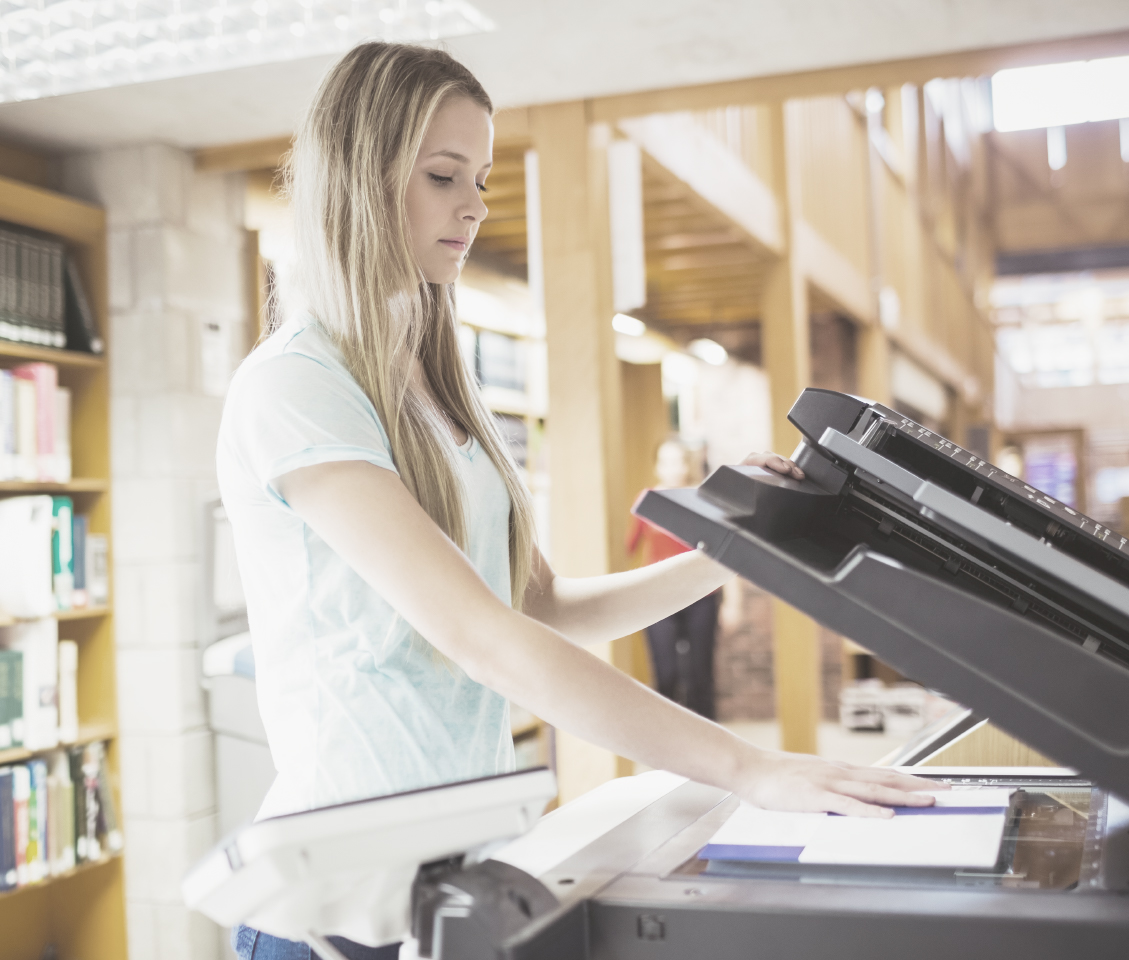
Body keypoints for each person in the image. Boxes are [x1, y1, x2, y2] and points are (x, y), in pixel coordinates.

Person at [216, 42, 939, 960]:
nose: (475, 206)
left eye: (479, 177)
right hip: (337, 909)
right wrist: (747, 765)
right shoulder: (295, 385)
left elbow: (540, 605)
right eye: (443, 177)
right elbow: (483, 637)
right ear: (359, 178)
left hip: (453, 874)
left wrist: (734, 548)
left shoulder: (436, 386)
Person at [628, 440, 719, 719]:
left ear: (686, 465)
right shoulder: (646, 501)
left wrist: (733, 601)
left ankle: (707, 740)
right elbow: (629, 547)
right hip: (658, 598)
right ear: (657, 466)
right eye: (665, 461)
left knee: (699, 674)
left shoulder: (700, 498)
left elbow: (721, 550)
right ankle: (667, 738)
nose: (672, 468)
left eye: (678, 461)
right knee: (666, 673)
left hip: (700, 596)